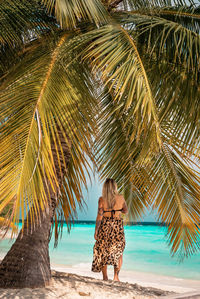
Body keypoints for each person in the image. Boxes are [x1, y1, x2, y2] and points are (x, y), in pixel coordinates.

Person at [91, 178, 128, 281]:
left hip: (105, 226)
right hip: (117, 226)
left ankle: (105, 277)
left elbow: (99, 216)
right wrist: (118, 209)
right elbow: (126, 211)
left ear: (105, 188)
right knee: (119, 251)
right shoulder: (121, 198)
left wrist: (96, 230)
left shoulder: (102, 199)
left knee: (103, 251)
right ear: (115, 187)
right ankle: (116, 276)